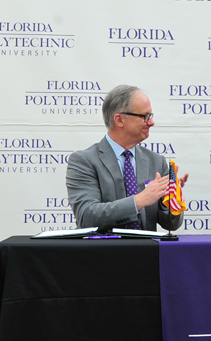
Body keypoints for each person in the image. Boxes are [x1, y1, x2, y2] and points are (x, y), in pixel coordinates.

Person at [66, 84, 188, 231]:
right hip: (103, 251)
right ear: (119, 120)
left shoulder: (156, 161)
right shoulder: (84, 161)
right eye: (145, 116)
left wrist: (170, 199)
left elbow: (171, 225)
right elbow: (86, 217)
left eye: (151, 116)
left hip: (146, 252)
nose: (151, 122)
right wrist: (139, 201)